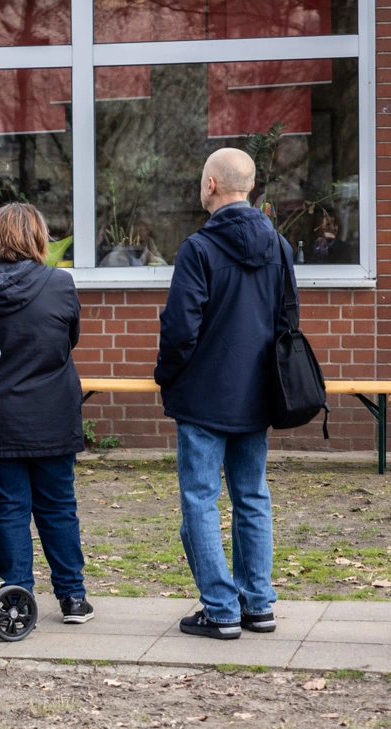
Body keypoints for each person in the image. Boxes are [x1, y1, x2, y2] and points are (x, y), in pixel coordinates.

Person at [155, 148, 287, 640]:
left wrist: (167, 375)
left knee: (200, 499)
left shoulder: (198, 249)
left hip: (203, 397)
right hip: (256, 396)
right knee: (252, 497)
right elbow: (287, 323)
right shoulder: (279, 246)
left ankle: (220, 609)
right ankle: (258, 605)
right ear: (247, 187)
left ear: (212, 184)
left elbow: (179, 330)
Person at [0, 202, 93, 625]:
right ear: (37, 237)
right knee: (58, 505)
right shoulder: (61, 284)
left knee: (9, 506)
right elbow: (70, 337)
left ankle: (17, 598)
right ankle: (72, 596)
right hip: (52, 411)